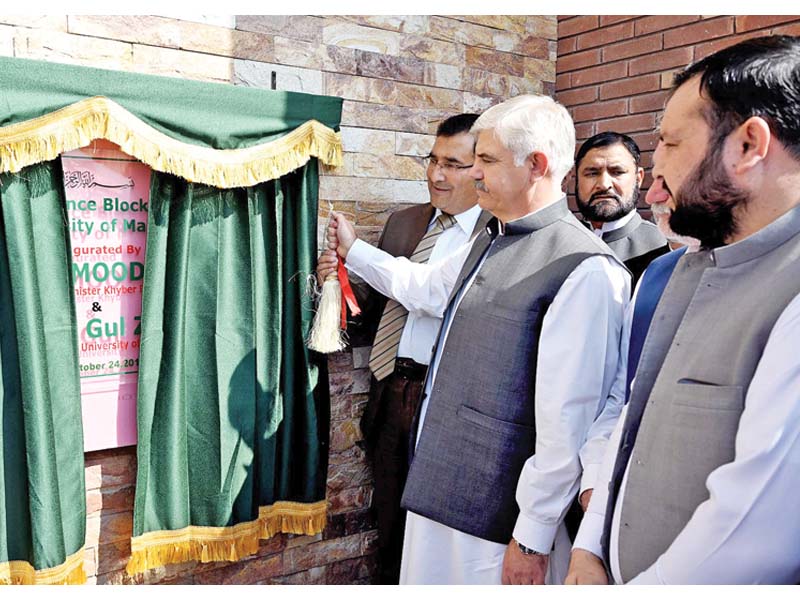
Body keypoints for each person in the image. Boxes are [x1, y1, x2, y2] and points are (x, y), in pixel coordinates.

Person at [324, 94, 630, 584]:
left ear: (537, 165)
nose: (475, 174)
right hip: (440, 488)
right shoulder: (490, 238)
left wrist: (532, 535)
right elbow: (422, 287)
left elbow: (567, 425)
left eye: (485, 161)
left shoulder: (586, 270)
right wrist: (354, 251)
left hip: (495, 519)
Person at [566, 34, 800, 584]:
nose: (652, 190)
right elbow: (633, 416)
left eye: (670, 144)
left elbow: (752, 535)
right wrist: (590, 546)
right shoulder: (683, 267)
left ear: (748, 145)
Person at [317, 113, 489, 584]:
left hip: (446, 403)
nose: (437, 175)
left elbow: (430, 294)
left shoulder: (492, 234)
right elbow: (371, 309)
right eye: (433, 160)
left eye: (454, 164)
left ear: (483, 169)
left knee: (437, 532)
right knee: (390, 524)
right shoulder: (405, 222)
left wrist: (358, 252)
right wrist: (334, 281)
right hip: (391, 391)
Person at [575, 132, 669, 285]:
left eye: (617, 172)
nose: (604, 184)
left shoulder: (661, 248)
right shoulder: (562, 241)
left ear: (638, 178)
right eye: (592, 173)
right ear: (576, 178)